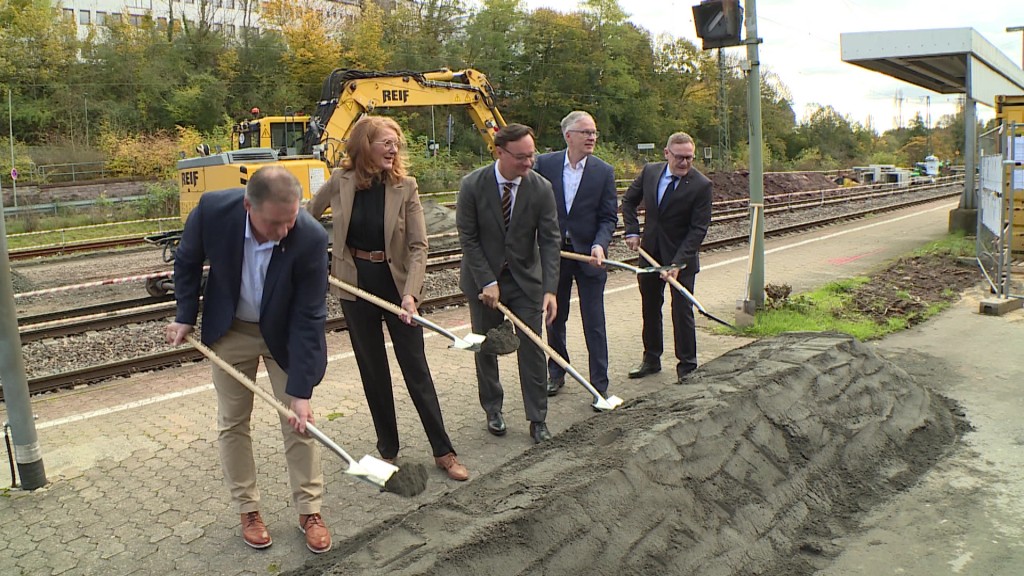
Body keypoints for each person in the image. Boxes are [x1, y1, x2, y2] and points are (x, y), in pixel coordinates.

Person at [164, 166, 332, 553]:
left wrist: (301, 390)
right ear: (247, 206)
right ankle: (249, 510)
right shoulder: (212, 211)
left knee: (299, 421)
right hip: (231, 329)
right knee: (233, 422)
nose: (283, 232)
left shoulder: (309, 236)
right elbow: (186, 261)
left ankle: (309, 510)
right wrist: (185, 315)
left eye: (290, 221)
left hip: (285, 333)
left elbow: (310, 316)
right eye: (274, 223)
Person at [306, 116, 469, 482]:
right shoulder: (340, 181)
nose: (394, 148)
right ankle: (387, 450)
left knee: (416, 370)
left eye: (396, 143)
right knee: (372, 370)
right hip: (356, 286)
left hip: (397, 287)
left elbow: (418, 246)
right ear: (365, 145)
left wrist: (411, 295)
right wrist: (316, 259)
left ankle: (444, 451)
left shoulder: (406, 186)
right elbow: (306, 219)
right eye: (386, 142)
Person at [456, 123, 561, 444]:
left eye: (532, 156)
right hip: (482, 282)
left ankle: (537, 418)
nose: (528, 163)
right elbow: (468, 238)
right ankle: (493, 408)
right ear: (499, 152)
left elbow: (550, 241)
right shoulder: (472, 185)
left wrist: (549, 290)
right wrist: (487, 280)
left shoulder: (540, 188)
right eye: (521, 157)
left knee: (532, 348)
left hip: (526, 282)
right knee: (485, 345)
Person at [533, 111, 618, 408]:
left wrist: (600, 244)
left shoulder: (603, 171)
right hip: (555, 256)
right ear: (568, 135)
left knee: (594, 320)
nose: (592, 137)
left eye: (594, 132)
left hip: (589, 256)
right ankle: (556, 371)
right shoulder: (545, 165)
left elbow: (609, 217)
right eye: (585, 132)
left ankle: (599, 386)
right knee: (555, 317)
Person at [620, 132, 713, 385]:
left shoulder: (701, 185)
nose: (684, 163)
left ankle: (687, 367)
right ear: (666, 154)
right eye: (679, 158)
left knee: (682, 311)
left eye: (689, 159)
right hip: (649, 254)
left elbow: (699, 229)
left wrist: (678, 263)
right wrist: (631, 231)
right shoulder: (651, 172)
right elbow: (628, 202)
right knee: (650, 307)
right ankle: (651, 359)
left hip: (681, 258)